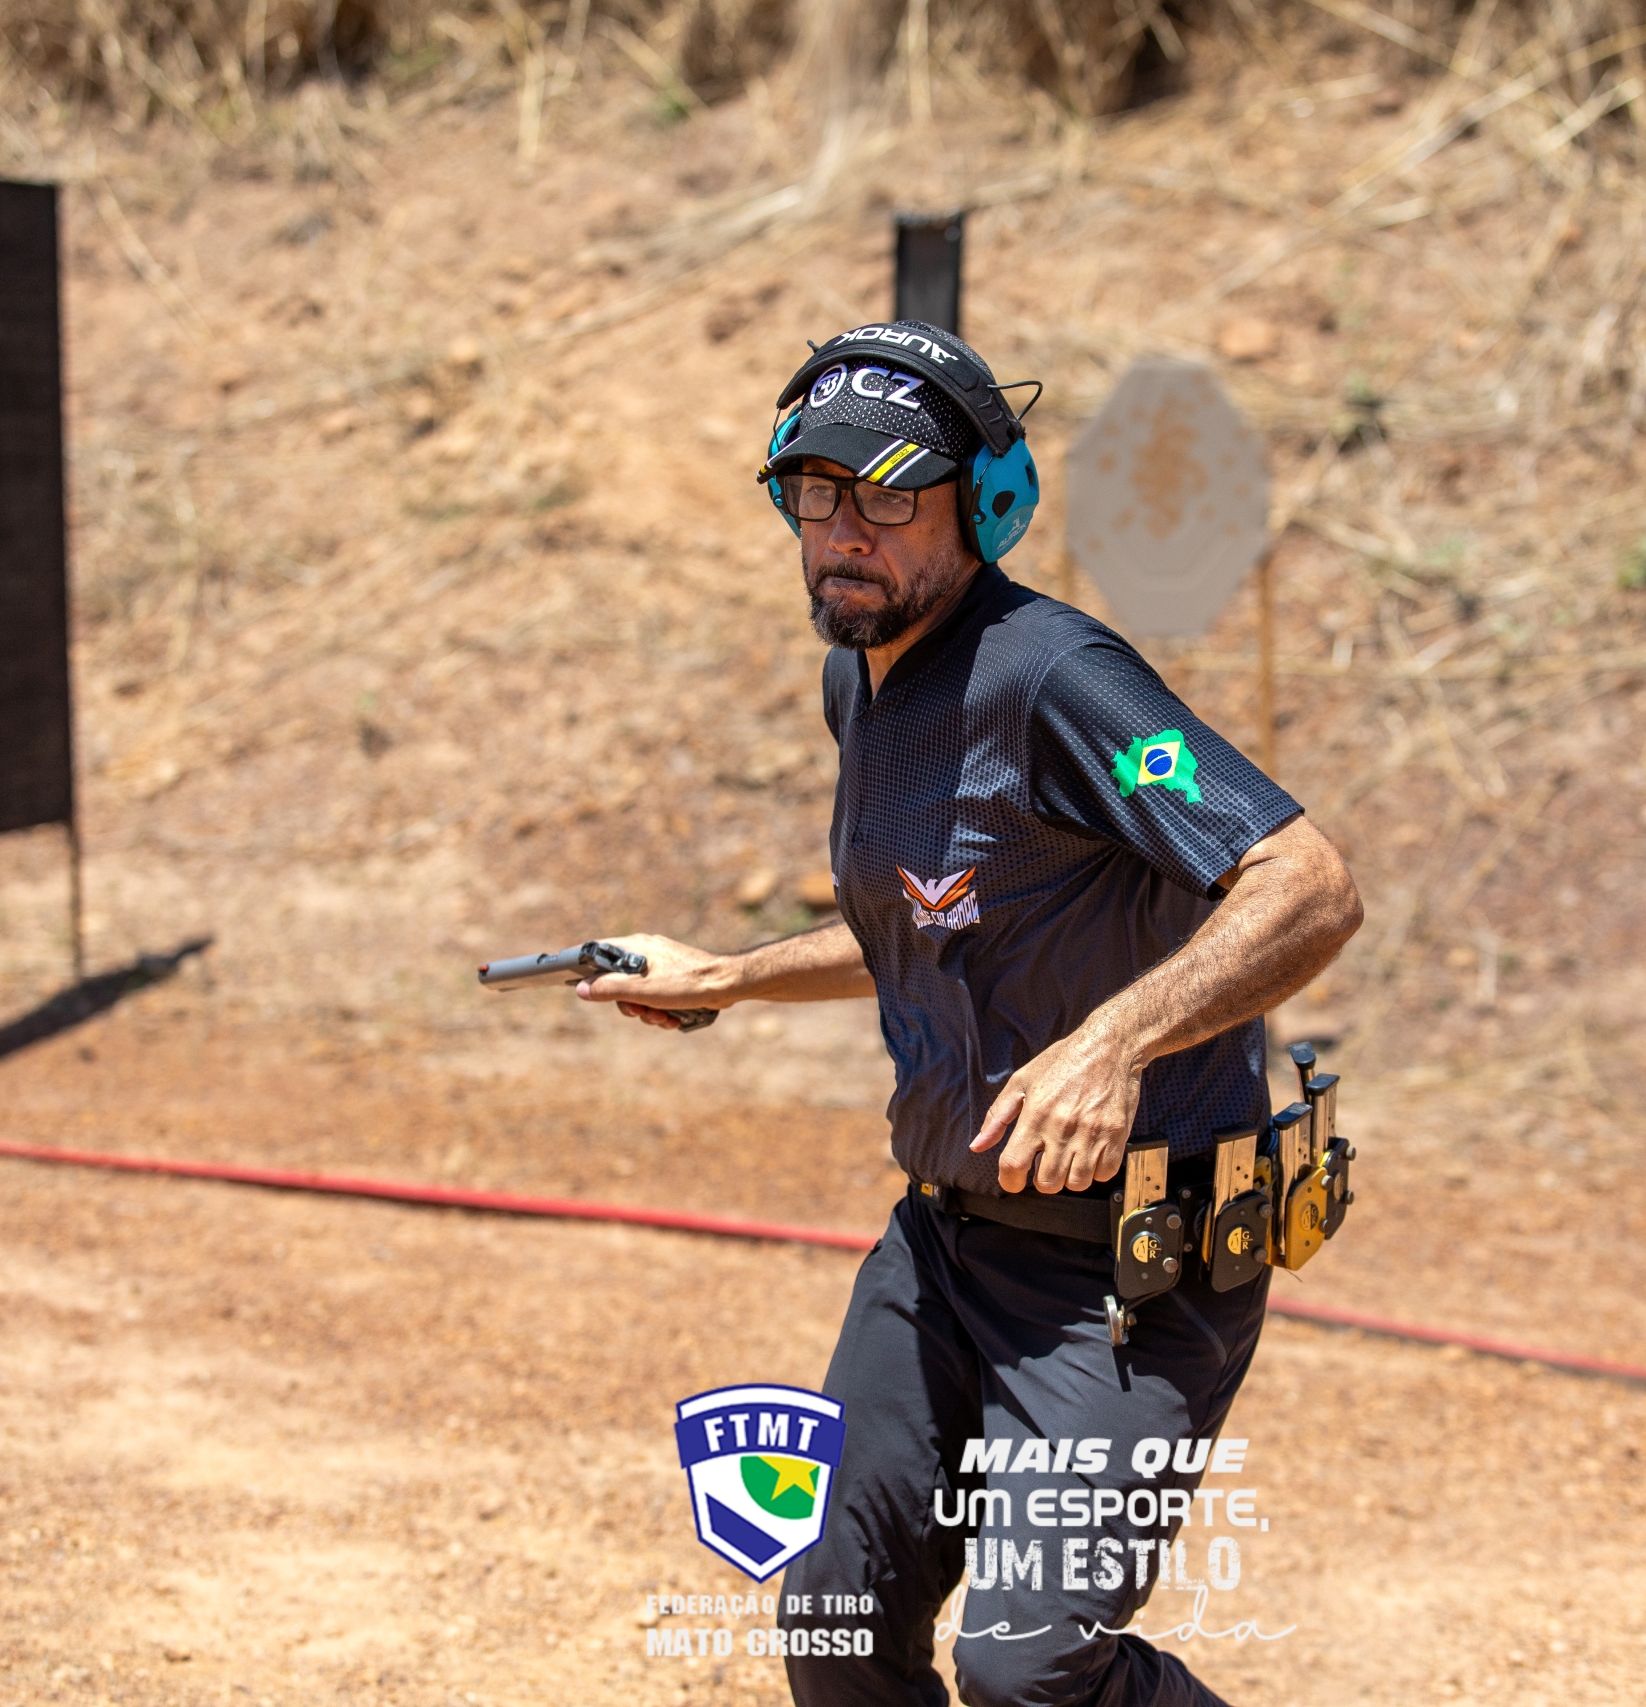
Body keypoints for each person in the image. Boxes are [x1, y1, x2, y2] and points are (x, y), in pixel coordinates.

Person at [578, 320, 1362, 1707]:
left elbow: (1306, 885)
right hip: (944, 1247)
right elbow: (936, 922)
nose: (843, 533)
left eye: (888, 496)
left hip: (1133, 1272)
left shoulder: (1060, 679)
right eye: (814, 493)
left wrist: (1113, 1045)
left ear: (987, 504)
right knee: (835, 1620)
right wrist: (725, 977)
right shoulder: (862, 681)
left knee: (1026, 1670)